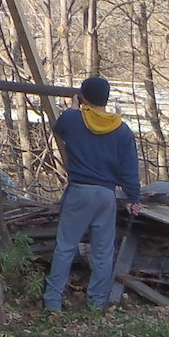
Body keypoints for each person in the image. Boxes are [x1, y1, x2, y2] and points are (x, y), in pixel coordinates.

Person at [43, 75, 143, 312]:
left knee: (66, 246)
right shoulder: (121, 129)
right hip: (106, 195)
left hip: (80, 192)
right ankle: (97, 303)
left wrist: (75, 107)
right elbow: (130, 168)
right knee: (103, 252)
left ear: (83, 97)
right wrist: (133, 198)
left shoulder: (73, 119)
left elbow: (60, 128)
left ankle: (53, 302)